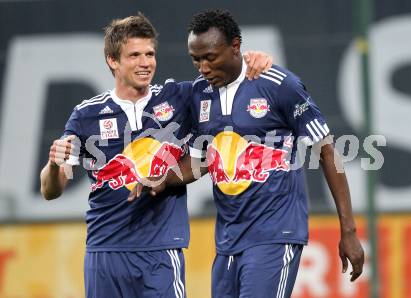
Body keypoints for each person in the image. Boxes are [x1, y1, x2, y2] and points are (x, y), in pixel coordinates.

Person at [132, 9, 365, 298]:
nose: (203, 67)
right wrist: (165, 179)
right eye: (196, 59)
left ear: (235, 47)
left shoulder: (279, 85)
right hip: (228, 240)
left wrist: (349, 231)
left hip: (274, 234)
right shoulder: (199, 94)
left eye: (210, 57)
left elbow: (327, 152)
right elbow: (203, 159)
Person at [39, 12, 272, 298]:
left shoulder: (178, 98)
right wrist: (53, 164)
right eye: (134, 55)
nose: (145, 62)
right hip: (105, 251)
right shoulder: (86, 115)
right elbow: (51, 190)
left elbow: (227, 75)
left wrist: (253, 59)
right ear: (113, 61)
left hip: (161, 251)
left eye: (150, 54)